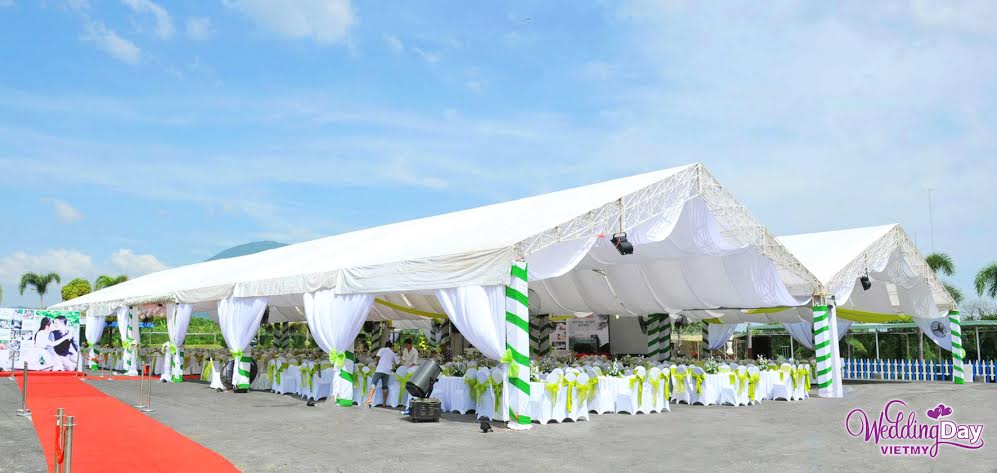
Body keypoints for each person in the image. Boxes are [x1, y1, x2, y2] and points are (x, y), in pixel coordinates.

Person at [366, 341, 397, 407]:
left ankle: (369, 399)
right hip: (387, 371)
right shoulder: (393, 353)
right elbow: (397, 362)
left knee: (373, 383)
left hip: (380, 369)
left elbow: (378, 357)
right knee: (385, 386)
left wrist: (377, 363)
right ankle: (384, 402)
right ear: (391, 347)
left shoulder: (382, 349)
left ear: (385, 345)